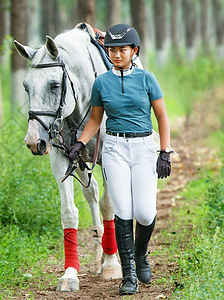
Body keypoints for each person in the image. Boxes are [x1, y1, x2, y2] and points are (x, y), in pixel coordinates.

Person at [67, 24, 172, 295]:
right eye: (112, 50)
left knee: (145, 212)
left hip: (144, 147)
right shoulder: (101, 83)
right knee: (123, 211)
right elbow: (94, 119)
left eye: (122, 50)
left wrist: (164, 152)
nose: (116, 55)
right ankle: (129, 275)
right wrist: (80, 143)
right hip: (114, 147)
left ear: (133, 51)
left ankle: (141, 256)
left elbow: (162, 117)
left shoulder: (148, 78)